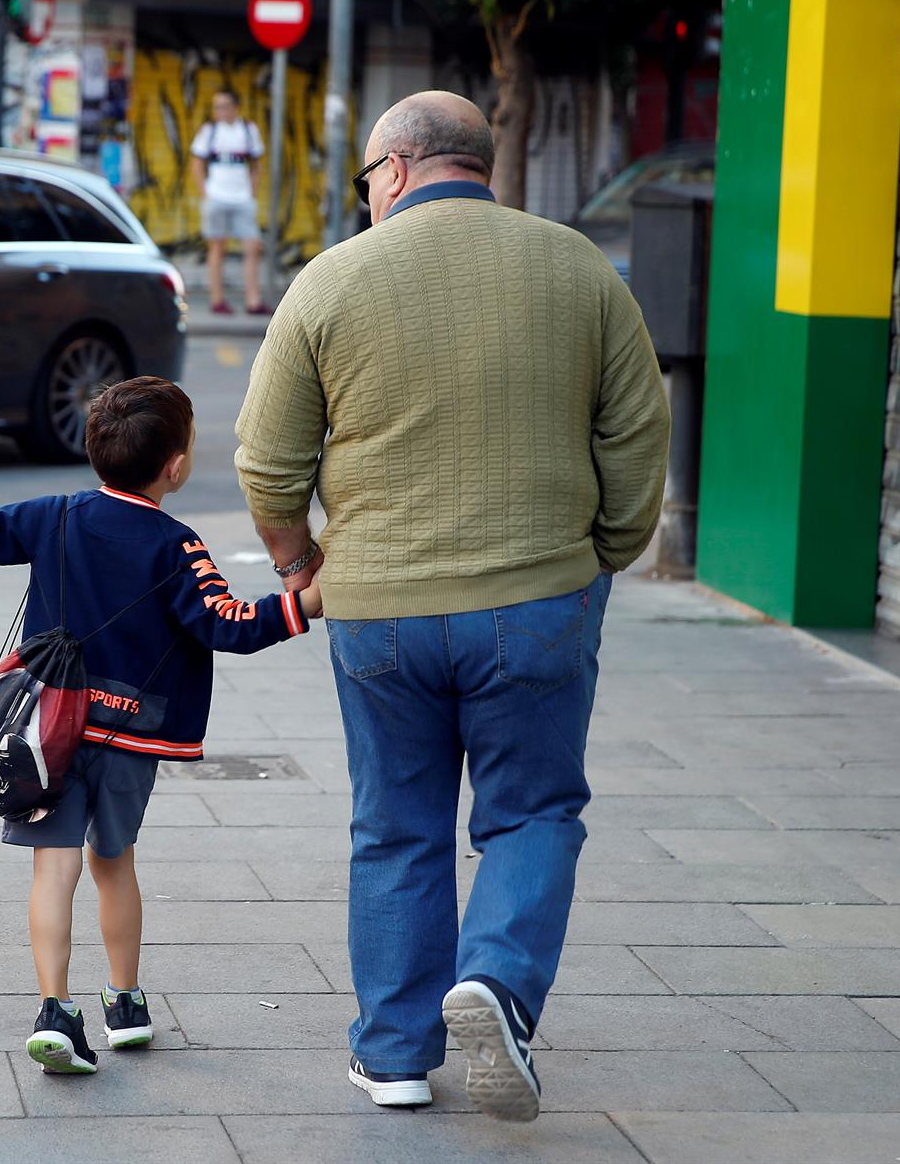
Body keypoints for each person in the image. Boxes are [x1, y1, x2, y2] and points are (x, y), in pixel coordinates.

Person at [233, 91, 669, 1121]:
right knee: (533, 811)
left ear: (393, 169)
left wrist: (300, 563)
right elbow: (636, 436)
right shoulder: (579, 269)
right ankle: (498, 986)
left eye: (366, 180)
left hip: (378, 609)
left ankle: (392, 1053)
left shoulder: (331, 279)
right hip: (539, 595)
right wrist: (602, 556)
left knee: (395, 823)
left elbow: (267, 462)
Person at [0, 377, 322, 1074]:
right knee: (114, 862)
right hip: (132, 736)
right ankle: (125, 1004)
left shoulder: (54, 517)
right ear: (176, 467)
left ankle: (55, 1011)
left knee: (54, 868)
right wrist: (306, 603)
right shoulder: (178, 547)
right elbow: (227, 625)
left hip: (47, 736)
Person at [189, 89, 268, 316]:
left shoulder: (248, 130)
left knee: (252, 247)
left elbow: (256, 164)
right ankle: (217, 300)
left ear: (235, 107)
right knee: (217, 247)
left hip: (242, 198)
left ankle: (253, 301)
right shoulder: (209, 131)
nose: (219, 111)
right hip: (216, 198)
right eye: (216, 107)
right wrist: (206, 194)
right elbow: (196, 163)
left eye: (223, 106)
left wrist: (252, 192)